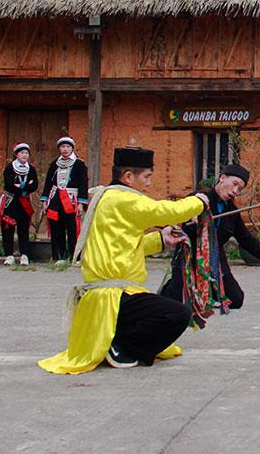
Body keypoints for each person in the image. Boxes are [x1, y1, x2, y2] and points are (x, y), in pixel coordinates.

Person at [39, 146, 208, 374]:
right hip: (112, 296)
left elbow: (126, 246)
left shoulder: (109, 198)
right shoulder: (122, 199)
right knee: (177, 314)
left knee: (162, 307)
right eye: (146, 177)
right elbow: (165, 211)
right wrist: (201, 201)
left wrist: (161, 238)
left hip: (113, 294)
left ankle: (116, 337)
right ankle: (121, 345)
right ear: (128, 176)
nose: (148, 183)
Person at [160, 162, 260, 318]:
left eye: (240, 189)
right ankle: (171, 289)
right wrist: (190, 214)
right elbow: (174, 214)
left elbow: (245, 238)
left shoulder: (231, 211)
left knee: (236, 299)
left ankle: (204, 293)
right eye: (234, 184)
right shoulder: (198, 198)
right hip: (189, 254)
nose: (235, 191)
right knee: (179, 304)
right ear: (222, 178)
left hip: (214, 257)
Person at [42, 136, 89, 265]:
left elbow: (83, 184)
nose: (65, 149)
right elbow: (48, 183)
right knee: (57, 228)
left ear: (72, 148)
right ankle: (59, 256)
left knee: (73, 229)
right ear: (59, 149)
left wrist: (81, 203)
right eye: (62, 147)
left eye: (68, 147)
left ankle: (75, 257)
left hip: (71, 199)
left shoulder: (79, 164)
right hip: (56, 199)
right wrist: (45, 201)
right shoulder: (54, 164)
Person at [0, 142, 39, 266]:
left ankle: (24, 255)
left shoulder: (31, 169)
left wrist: (21, 186)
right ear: (16, 154)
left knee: (23, 229)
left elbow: (35, 185)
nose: (24, 155)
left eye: (26, 153)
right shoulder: (9, 168)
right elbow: (9, 185)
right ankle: (9, 255)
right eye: (22, 153)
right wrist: (25, 187)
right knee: (8, 229)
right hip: (11, 202)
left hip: (24, 203)